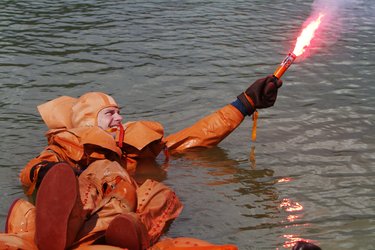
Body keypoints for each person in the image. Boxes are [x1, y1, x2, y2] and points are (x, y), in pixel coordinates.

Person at [1, 75, 282, 250]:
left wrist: (245, 103)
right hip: (84, 207)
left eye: (120, 112)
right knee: (100, 172)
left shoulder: (135, 151)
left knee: (161, 193)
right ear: (88, 121)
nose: (120, 118)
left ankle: (120, 232)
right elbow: (35, 170)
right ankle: (73, 226)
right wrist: (51, 171)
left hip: (128, 213)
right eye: (110, 113)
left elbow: (195, 138)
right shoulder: (68, 151)